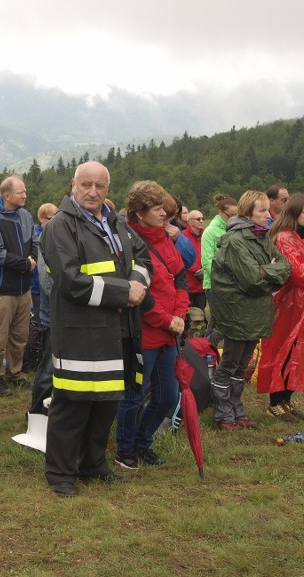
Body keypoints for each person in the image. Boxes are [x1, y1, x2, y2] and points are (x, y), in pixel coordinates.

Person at [41, 161, 150, 497]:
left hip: (118, 328)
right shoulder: (60, 226)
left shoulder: (117, 222)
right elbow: (71, 282)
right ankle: (60, 473)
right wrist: (123, 292)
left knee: (106, 402)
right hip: (80, 332)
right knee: (73, 402)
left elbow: (144, 258)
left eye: (99, 186)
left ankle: (92, 463)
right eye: (86, 184)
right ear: (73, 185)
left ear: (107, 188)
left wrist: (137, 284)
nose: (92, 192)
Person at [115, 181, 188, 469]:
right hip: (144, 333)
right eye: (158, 210)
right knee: (134, 394)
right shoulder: (128, 242)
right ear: (139, 212)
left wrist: (180, 313)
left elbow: (179, 277)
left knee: (168, 394)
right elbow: (137, 293)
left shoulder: (165, 239)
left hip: (170, 332)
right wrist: (166, 318)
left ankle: (143, 442)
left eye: (166, 211)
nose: (164, 216)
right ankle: (125, 448)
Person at [209, 191, 290, 429]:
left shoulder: (262, 237)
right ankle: (223, 413)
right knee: (229, 364)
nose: (268, 215)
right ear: (248, 213)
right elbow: (252, 280)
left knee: (242, 366)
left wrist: (266, 271)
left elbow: (285, 267)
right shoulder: (235, 241)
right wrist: (267, 272)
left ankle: (236, 409)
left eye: (267, 210)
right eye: (262, 211)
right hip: (237, 312)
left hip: (255, 312)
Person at [257, 194, 304, 422]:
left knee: (300, 352)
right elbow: (297, 273)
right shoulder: (284, 237)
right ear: (294, 213)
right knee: (282, 350)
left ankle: (287, 398)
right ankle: (274, 402)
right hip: (287, 303)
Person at [0, 175, 38, 396]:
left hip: (24, 290)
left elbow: (35, 242)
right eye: (20, 192)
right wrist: (25, 264)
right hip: (1, 291)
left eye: (24, 191)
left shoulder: (24, 215)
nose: (25, 195)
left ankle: (15, 373)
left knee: (20, 335)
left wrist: (33, 258)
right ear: (6, 195)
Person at [28, 204, 58, 415]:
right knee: (48, 368)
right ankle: (37, 412)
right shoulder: (47, 239)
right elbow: (47, 284)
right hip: (53, 316)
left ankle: (54, 409)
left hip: (66, 318)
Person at [201, 194, 239, 343]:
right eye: (231, 215)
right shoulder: (210, 232)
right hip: (215, 286)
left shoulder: (235, 229)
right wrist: (226, 280)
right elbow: (207, 263)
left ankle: (209, 354)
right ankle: (206, 355)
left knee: (226, 323)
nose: (235, 218)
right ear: (221, 212)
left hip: (235, 286)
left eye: (238, 215)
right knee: (218, 324)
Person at [30, 203, 58, 324]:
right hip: (37, 287)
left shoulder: (55, 234)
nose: (54, 221)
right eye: (50, 218)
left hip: (47, 286)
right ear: (41, 218)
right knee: (40, 320)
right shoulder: (37, 235)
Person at [182, 208, 206, 310]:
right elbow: (182, 256)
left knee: (200, 312)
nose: (201, 221)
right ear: (190, 222)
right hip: (188, 284)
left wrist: (205, 269)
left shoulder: (206, 235)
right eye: (198, 219)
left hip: (202, 285)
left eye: (202, 218)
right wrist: (196, 269)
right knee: (188, 313)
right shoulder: (182, 236)